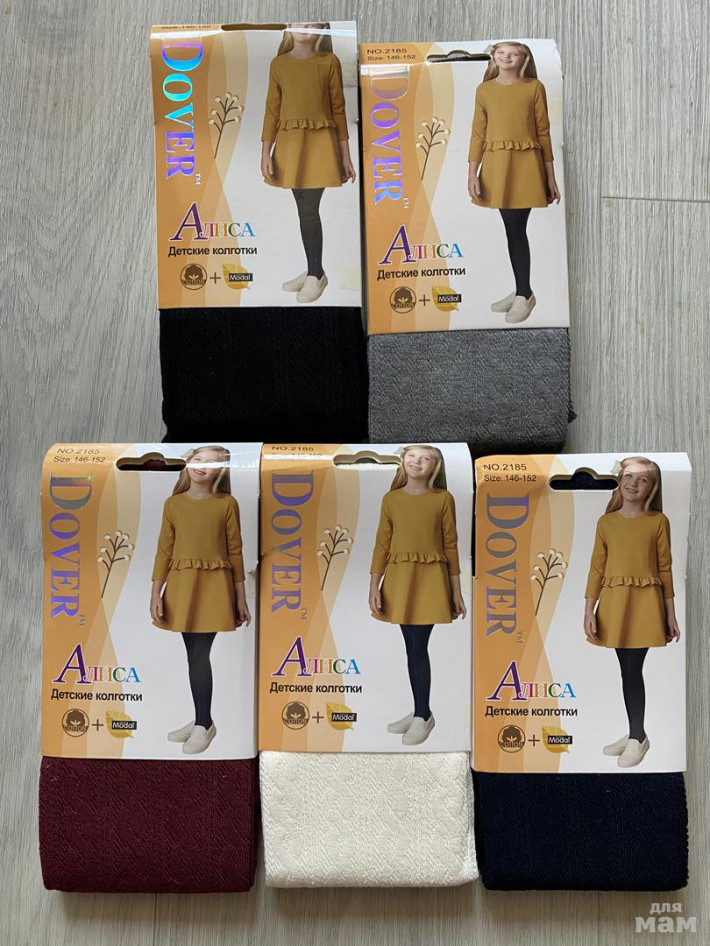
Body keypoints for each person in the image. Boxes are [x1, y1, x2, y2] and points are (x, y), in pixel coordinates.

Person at [150, 445, 251, 754]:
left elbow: (235, 552)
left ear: (221, 472)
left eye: (212, 463)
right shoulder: (173, 504)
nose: (203, 466)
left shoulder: (227, 504)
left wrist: (241, 598)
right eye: (198, 459)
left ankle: (204, 724)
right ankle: (200, 719)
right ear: (188, 462)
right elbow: (164, 550)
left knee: (198, 655)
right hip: (182, 587)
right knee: (193, 654)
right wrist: (156, 591)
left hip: (214, 588)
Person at [584, 457, 680, 768]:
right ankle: (635, 733)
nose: (633, 484)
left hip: (645, 604)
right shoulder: (606, 523)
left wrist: (670, 614)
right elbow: (596, 569)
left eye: (642, 480)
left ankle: (638, 737)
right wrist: (589, 610)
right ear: (619, 479)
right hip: (615, 604)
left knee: (632, 669)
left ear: (652, 488)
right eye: (628, 476)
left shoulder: (658, 522)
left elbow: (665, 569)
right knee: (626, 670)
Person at [369, 445, 467, 745]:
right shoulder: (391, 500)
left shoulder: (443, 499)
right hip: (400, 580)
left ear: (435, 466)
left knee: (417, 646)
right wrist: (374, 585)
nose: (417, 461)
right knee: (412, 648)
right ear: (402, 460)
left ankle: (423, 715)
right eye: (412, 455)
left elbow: (451, 545)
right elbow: (382, 544)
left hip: (430, 581)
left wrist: (456, 591)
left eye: (425, 458)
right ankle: (419, 711)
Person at [261, 22, 356, 304]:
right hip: (290, 146)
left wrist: (346, 155)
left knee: (309, 210)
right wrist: (265, 151)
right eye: (299, 21)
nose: (305, 26)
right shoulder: (278, 64)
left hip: (321, 145)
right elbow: (272, 110)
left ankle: (316, 274)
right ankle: (314, 270)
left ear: (323, 29)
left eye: (313, 22)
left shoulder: (329, 62)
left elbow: (339, 110)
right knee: (304, 210)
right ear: (289, 27)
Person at [468, 41, 561, 324]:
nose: (507, 57)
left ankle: (524, 294)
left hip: (526, 166)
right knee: (512, 230)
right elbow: (478, 133)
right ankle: (523, 289)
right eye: (501, 52)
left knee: (517, 229)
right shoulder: (484, 90)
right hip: (497, 167)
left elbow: (543, 132)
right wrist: (472, 173)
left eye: (514, 53)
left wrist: (550, 176)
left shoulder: (534, 88)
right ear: (494, 57)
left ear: (525, 58)